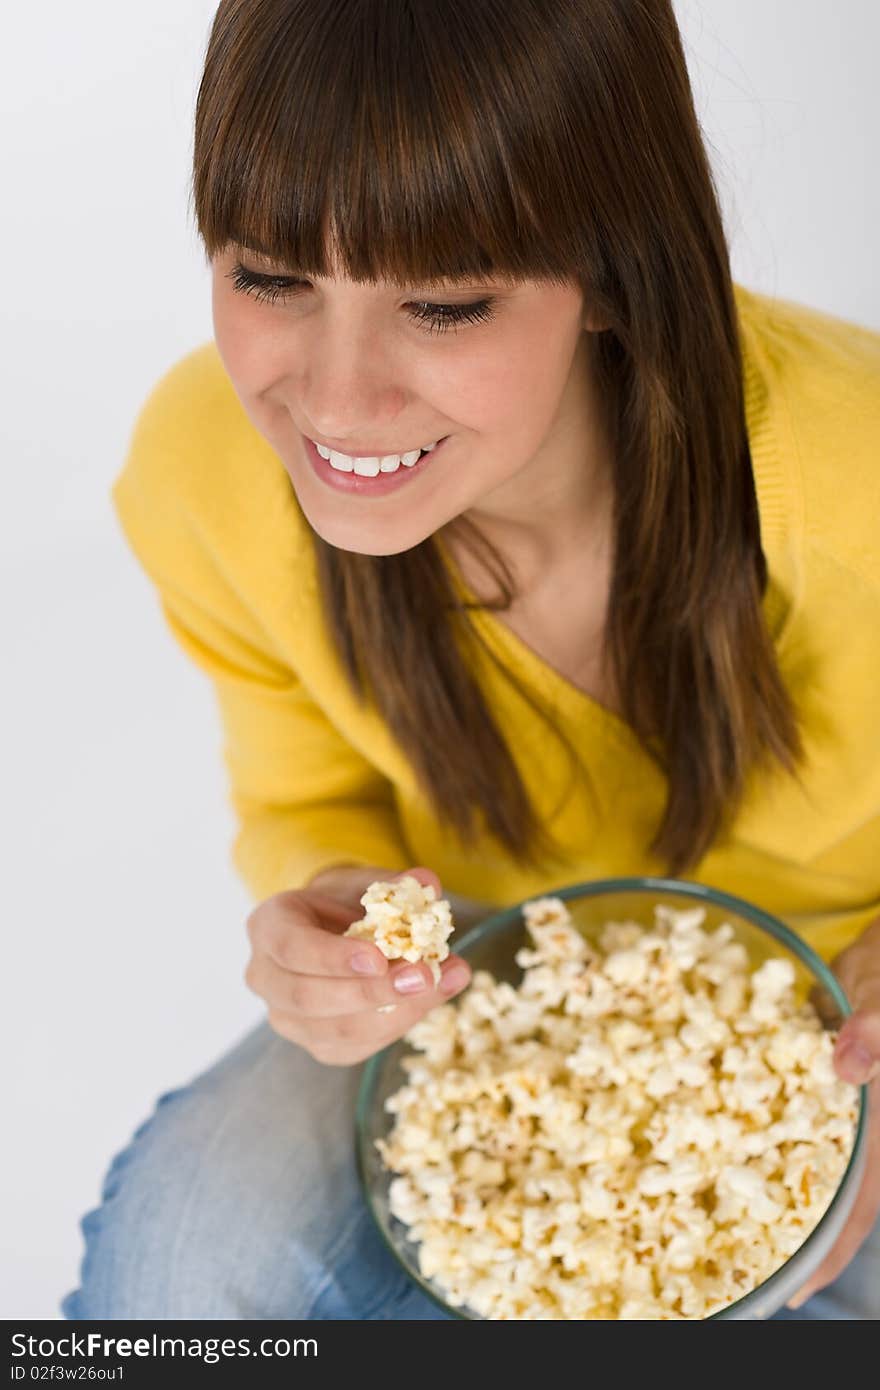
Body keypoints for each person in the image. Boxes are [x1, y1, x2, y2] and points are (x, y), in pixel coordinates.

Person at [61, 0, 880, 1320]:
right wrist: (326, 911)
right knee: (177, 1269)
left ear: (615, 270)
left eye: (442, 303)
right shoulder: (204, 474)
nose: (336, 402)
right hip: (473, 990)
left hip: (838, 1002)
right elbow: (299, 799)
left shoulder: (858, 470)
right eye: (270, 278)